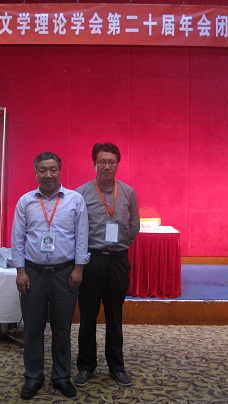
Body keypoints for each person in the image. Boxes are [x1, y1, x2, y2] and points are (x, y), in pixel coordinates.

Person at [11, 152, 89, 400]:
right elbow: (17, 239)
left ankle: (61, 377)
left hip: (64, 273)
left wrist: (79, 268)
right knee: (33, 329)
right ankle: (33, 377)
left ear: (59, 171)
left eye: (52, 169)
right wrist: (20, 271)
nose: (48, 175)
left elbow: (82, 237)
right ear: (36, 173)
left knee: (62, 328)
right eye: (43, 170)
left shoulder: (75, 200)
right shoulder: (25, 202)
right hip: (32, 274)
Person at [74, 142, 140, 388]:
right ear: (94, 164)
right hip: (92, 261)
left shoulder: (128, 192)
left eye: (111, 162)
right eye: (102, 162)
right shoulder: (81, 193)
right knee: (88, 315)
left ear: (117, 164)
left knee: (115, 315)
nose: (106, 166)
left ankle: (117, 366)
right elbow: (75, 229)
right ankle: (86, 366)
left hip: (118, 261)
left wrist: (119, 245)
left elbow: (134, 226)